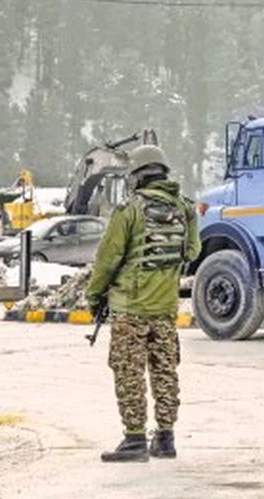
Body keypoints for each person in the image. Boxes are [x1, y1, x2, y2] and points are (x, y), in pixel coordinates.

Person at [86, 145, 201, 462]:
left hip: (130, 309)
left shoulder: (130, 210)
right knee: (165, 371)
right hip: (165, 309)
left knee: (129, 372)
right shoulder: (186, 209)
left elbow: (107, 260)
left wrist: (94, 296)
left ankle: (134, 440)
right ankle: (165, 439)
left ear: (137, 176)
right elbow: (192, 252)